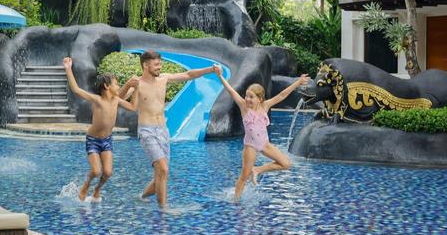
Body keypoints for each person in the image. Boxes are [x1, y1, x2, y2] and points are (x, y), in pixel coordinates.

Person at [119, 51, 218, 209]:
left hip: (163, 131)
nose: (160, 67)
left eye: (160, 63)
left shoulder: (164, 79)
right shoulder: (137, 83)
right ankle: (163, 209)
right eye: (156, 64)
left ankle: (142, 196)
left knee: (161, 174)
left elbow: (188, 75)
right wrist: (127, 86)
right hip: (147, 131)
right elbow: (116, 98)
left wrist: (210, 70)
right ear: (145, 65)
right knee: (163, 169)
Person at [214, 64, 309, 201]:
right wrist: (220, 76)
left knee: (286, 164)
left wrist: (298, 82)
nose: (247, 99)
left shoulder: (265, 106)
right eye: (246, 96)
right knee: (244, 175)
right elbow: (230, 90)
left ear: (260, 99)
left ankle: (258, 170)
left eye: (251, 97)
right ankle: (236, 200)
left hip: (265, 144)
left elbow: (282, 95)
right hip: (250, 146)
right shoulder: (244, 107)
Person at [63, 57, 137, 202]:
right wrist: (68, 68)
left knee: (107, 172)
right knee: (96, 171)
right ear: (106, 86)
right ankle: (86, 186)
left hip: (107, 140)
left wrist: (136, 88)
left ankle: (97, 191)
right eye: (116, 84)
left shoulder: (116, 100)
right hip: (93, 140)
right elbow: (76, 89)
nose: (118, 86)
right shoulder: (97, 100)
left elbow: (133, 107)